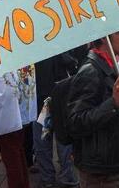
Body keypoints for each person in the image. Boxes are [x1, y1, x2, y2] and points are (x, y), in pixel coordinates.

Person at [67, 29, 119, 188]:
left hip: (110, 162)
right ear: (105, 38)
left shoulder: (110, 66)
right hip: (98, 169)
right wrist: (114, 102)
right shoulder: (90, 70)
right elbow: (76, 122)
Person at [33, 54, 79, 188]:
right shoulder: (57, 45)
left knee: (44, 141)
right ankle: (66, 177)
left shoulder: (31, 50)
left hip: (43, 100)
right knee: (62, 140)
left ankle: (49, 178)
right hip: (57, 100)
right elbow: (72, 63)